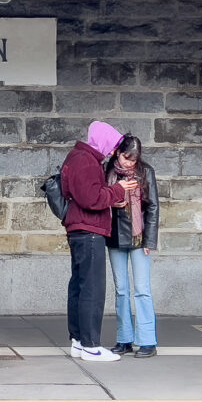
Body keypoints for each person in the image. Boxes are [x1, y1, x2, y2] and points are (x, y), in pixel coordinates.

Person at [61, 121, 137, 363]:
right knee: (92, 289)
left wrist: (109, 197)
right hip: (89, 230)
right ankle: (91, 345)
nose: (113, 151)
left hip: (79, 229)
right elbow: (90, 198)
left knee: (80, 286)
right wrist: (117, 190)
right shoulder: (85, 161)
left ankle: (78, 341)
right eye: (113, 145)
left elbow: (87, 195)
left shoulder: (78, 157)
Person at [106, 134, 160, 358]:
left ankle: (148, 341)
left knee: (142, 290)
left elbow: (154, 207)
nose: (131, 163)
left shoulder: (146, 172)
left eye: (134, 159)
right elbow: (100, 197)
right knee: (121, 290)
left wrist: (150, 240)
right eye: (127, 158)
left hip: (139, 238)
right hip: (115, 236)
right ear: (118, 153)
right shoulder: (107, 171)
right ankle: (124, 339)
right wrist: (113, 199)